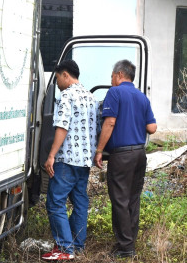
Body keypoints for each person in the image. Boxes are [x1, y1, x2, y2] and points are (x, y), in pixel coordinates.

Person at [94, 59, 157, 259]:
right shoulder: (142, 97)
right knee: (132, 199)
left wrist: (99, 150)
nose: (111, 79)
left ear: (120, 74)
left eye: (112, 76)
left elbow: (109, 122)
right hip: (140, 154)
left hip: (121, 155)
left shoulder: (114, 93)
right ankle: (129, 242)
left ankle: (125, 248)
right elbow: (152, 128)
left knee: (119, 200)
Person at [41, 60, 98, 261]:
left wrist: (51, 155)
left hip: (67, 160)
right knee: (80, 201)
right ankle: (77, 244)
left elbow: (62, 127)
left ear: (65, 75)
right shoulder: (91, 97)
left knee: (55, 201)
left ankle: (65, 249)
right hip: (84, 161)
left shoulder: (67, 96)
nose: (57, 84)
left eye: (57, 79)